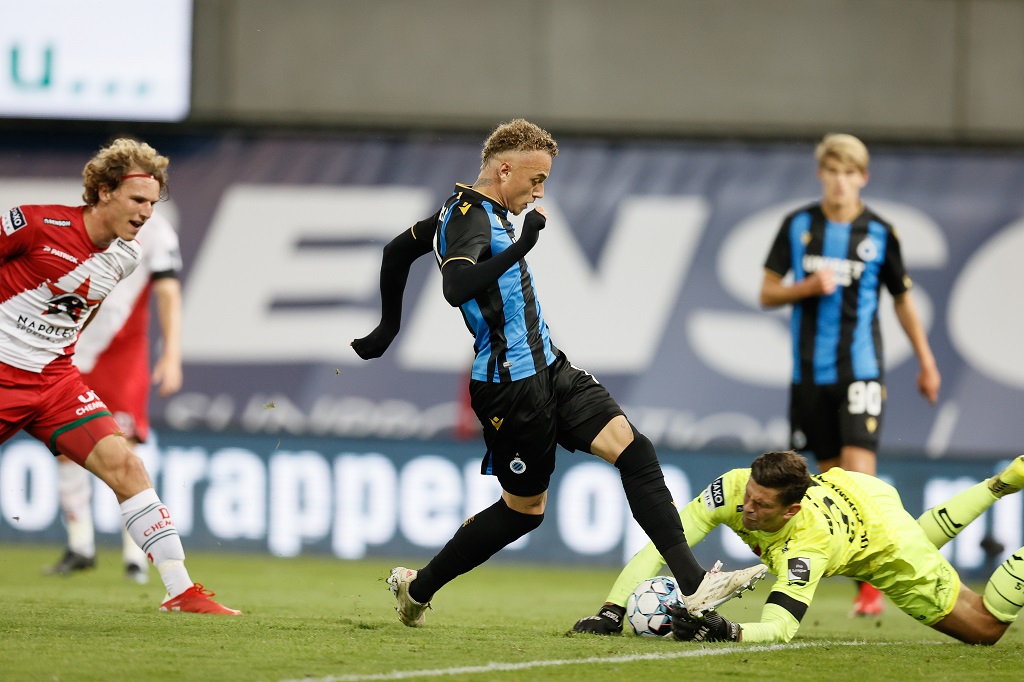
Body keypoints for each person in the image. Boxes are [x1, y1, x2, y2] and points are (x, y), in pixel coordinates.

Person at [352, 118, 767, 629]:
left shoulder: (467, 213)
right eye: (535, 179)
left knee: (634, 450)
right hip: (510, 387)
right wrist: (522, 247)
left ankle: (693, 583)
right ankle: (418, 587)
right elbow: (456, 286)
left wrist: (386, 327)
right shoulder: (466, 218)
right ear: (504, 169)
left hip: (550, 366)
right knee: (524, 511)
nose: (539, 191)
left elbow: (397, 251)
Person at [0, 138, 239, 614]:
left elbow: (79, 314)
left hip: (55, 382)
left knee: (127, 466)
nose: (147, 212)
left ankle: (181, 591)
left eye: (153, 202)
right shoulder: (32, 223)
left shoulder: (127, 257)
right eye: (138, 200)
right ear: (104, 191)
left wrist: (59, 353)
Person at [573, 449, 1024, 645]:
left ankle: (1002, 485)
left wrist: (726, 631)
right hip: (856, 487)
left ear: (789, 511)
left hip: (885, 542)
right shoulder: (733, 488)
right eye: (747, 496)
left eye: (761, 505)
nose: (746, 510)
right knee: (922, 539)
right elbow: (663, 542)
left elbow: (780, 627)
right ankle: (1004, 481)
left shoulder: (806, 549)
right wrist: (612, 608)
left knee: (985, 627)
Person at [758, 133, 942, 616]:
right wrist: (807, 287)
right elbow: (767, 293)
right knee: (826, 482)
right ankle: (826, 568)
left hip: (861, 371)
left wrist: (926, 362)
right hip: (809, 378)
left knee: (859, 476)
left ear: (863, 177)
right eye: (832, 171)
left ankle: (872, 589)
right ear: (822, 174)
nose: (840, 181)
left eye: (849, 173)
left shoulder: (880, 233)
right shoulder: (797, 225)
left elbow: (902, 300)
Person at [42, 210, 183, 585]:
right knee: (65, 445)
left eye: (150, 198)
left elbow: (168, 288)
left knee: (125, 447)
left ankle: (136, 555)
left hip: (121, 352)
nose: (144, 207)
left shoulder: (157, 231)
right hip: (71, 344)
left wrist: (171, 353)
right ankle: (80, 546)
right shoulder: (83, 222)